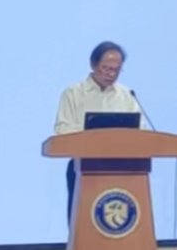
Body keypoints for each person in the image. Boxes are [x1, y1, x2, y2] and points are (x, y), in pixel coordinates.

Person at [54, 41, 140, 224]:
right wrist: (93, 139)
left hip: (122, 170)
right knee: (83, 223)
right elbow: (62, 130)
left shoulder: (127, 95)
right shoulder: (73, 93)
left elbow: (139, 132)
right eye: (106, 68)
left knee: (118, 224)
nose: (111, 74)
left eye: (116, 70)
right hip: (83, 168)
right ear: (93, 65)